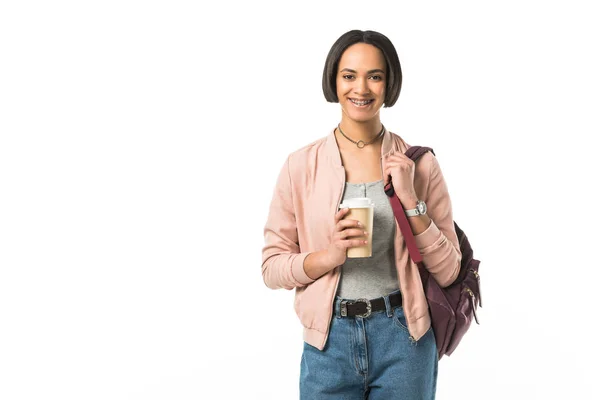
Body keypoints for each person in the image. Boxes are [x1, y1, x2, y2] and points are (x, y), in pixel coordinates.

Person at [261, 29, 462, 399]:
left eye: (375, 76)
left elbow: (450, 269)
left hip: (404, 338)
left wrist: (411, 200)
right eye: (349, 75)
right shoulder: (300, 166)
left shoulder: (419, 164)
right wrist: (329, 256)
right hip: (327, 343)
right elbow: (271, 268)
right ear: (334, 81)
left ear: (389, 84)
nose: (362, 88)